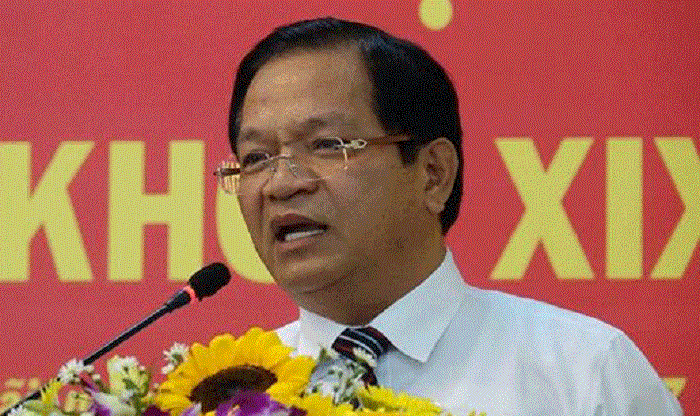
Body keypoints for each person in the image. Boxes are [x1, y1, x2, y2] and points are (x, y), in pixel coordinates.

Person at [219, 17, 682, 415]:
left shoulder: (583, 373)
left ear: (433, 174)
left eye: (327, 145)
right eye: (257, 157)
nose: (280, 184)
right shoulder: (222, 397)